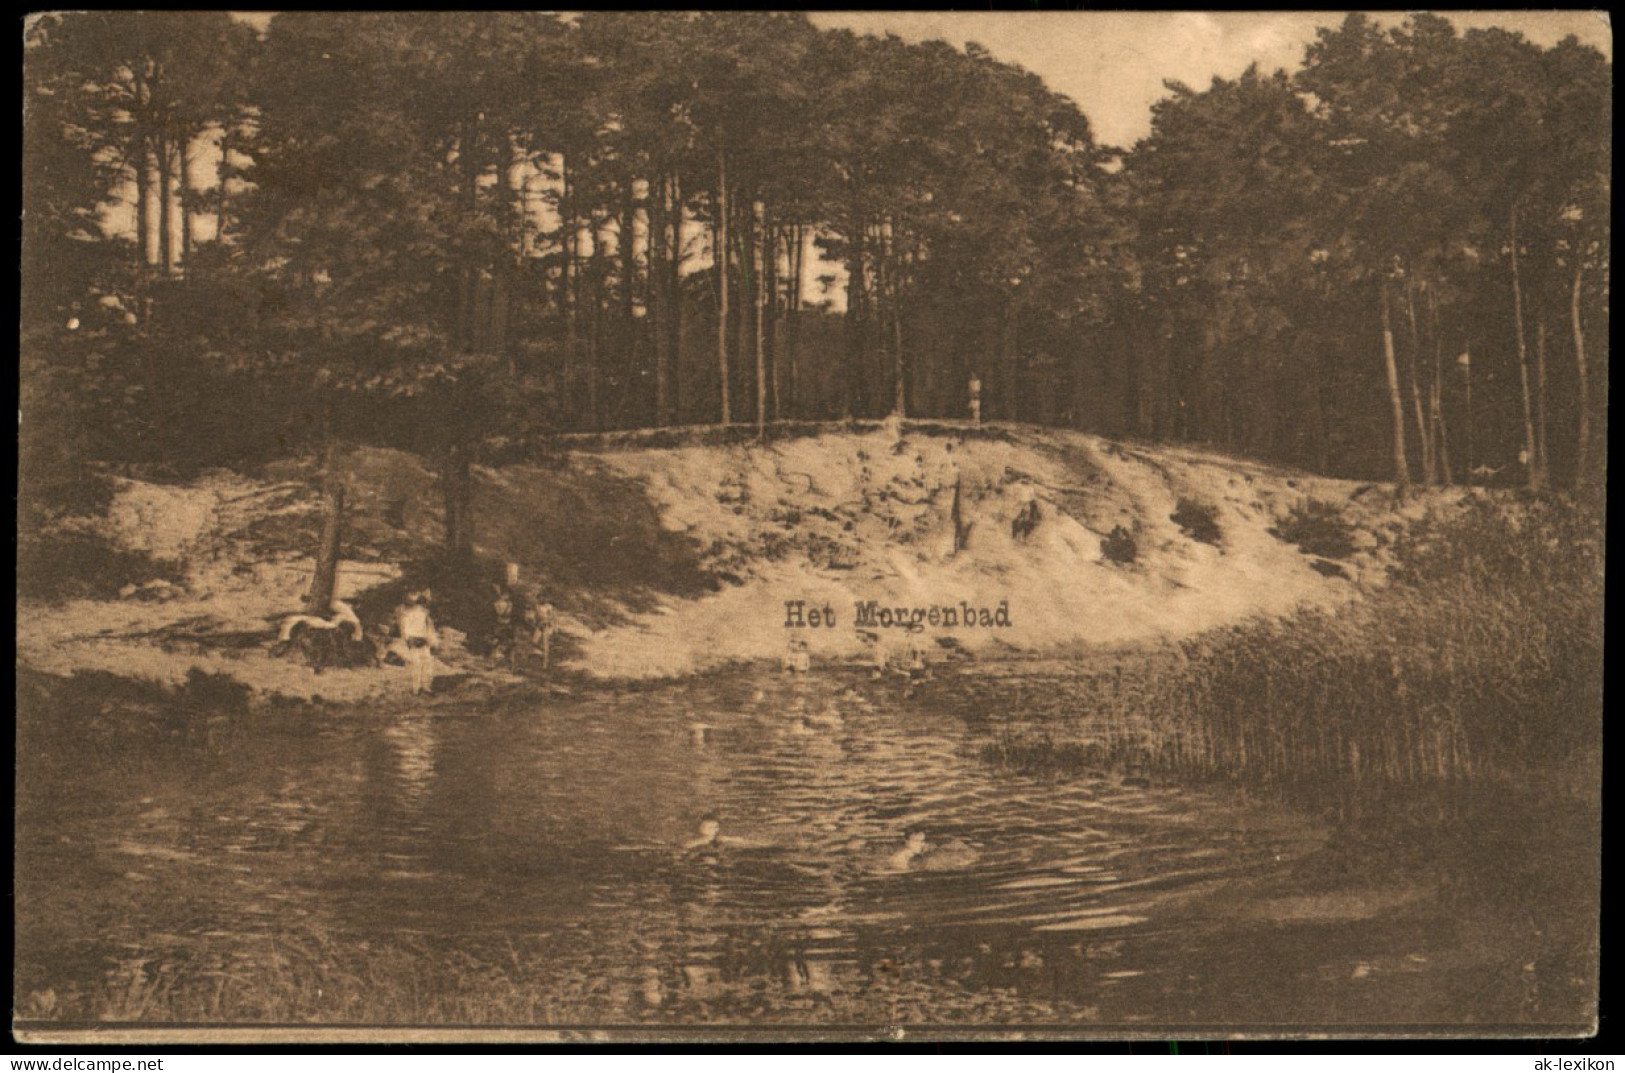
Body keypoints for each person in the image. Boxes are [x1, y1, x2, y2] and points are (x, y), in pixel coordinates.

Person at [396, 589, 438, 695]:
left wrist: (431, 638)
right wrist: (406, 638)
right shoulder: (405, 613)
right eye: (416, 603)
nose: (418, 605)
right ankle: (416, 688)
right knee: (416, 663)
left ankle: (425, 686)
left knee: (427, 662)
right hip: (413, 638)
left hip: (423, 638)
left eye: (420, 603)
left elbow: (429, 626)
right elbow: (403, 627)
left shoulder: (424, 613)